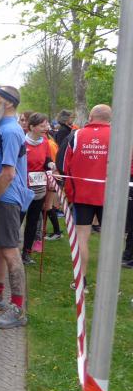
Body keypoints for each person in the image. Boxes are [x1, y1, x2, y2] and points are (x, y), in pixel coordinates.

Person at [0, 86, 34, 329]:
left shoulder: (11, 131)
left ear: (9, 103)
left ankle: (18, 309)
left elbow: (9, 174)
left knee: (10, 251)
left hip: (6, 199)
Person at [63, 104, 112, 283]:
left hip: (82, 194)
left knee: (82, 236)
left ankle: (81, 279)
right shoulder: (117, 136)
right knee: (110, 239)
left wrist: (69, 192)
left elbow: (64, 165)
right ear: (109, 119)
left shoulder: (77, 135)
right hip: (110, 195)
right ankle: (108, 283)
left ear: (90, 118)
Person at [21, 113, 52, 265]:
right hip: (22, 188)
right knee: (17, 221)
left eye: (46, 125)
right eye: (42, 125)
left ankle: (26, 252)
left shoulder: (45, 142)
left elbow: (47, 160)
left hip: (39, 188)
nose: (45, 128)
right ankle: (8, 252)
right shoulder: (21, 142)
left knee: (33, 221)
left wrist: (51, 165)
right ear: (32, 127)